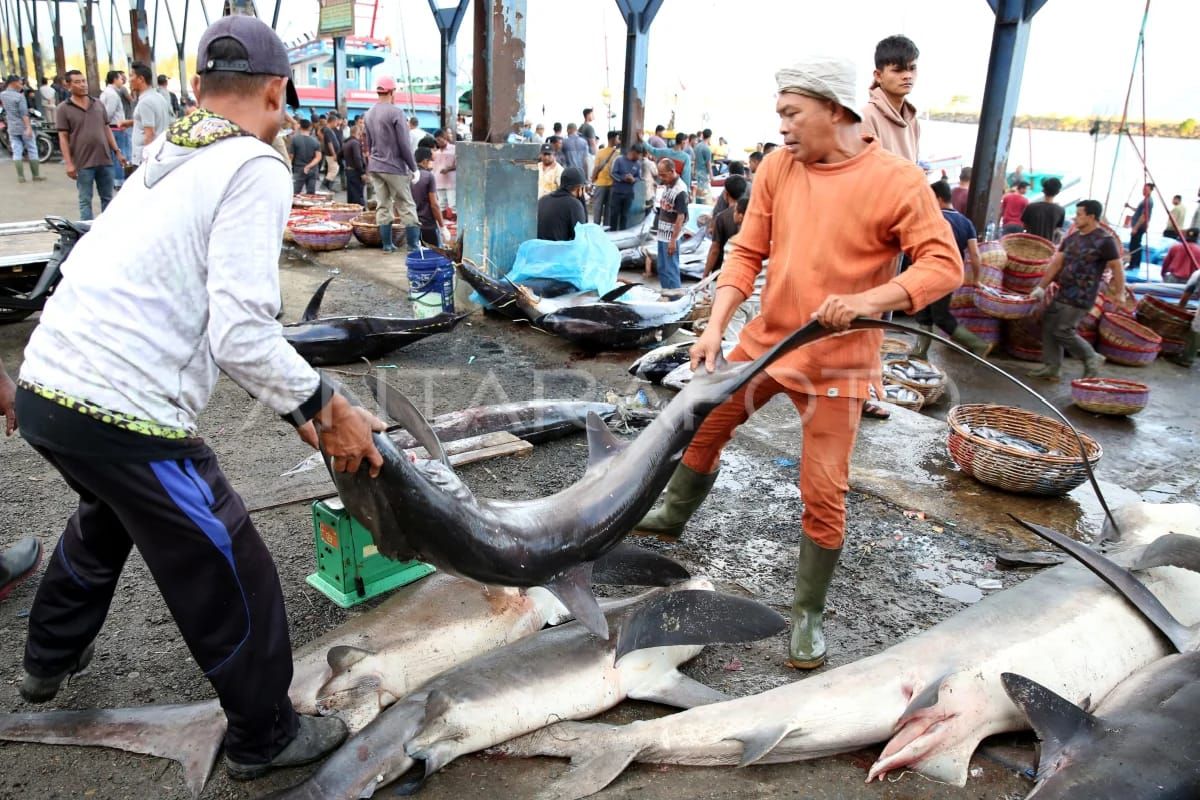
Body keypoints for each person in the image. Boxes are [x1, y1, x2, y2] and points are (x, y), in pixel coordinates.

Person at [15, 14, 382, 779]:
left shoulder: (164, 156)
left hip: (46, 385)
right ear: (278, 92)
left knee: (108, 515)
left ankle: (48, 657)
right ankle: (265, 736)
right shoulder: (254, 164)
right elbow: (241, 334)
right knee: (226, 556)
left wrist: (296, 407)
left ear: (198, 89)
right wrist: (327, 405)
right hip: (117, 404)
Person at [632, 56, 961, 670]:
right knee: (705, 420)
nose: (781, 126)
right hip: (766, 342)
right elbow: (747, 249)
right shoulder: (780, 167)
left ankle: (807, 611)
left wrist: (867, 301)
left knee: (823, 489)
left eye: (791, 113)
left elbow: (943, 266)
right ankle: (674, 513)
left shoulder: (898, 181)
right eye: (779, 113)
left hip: (839, 361)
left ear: (836, 110)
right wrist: (716, 325)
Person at [1027, 200, 1124, 381]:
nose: (1075, 218)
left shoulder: (1105, 240)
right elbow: (1056, 264)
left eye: (1079, 214)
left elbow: (1117, 268)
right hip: (1063, 292)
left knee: (1063, 330)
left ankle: (1090, 357)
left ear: (1091, 216)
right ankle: (1052, 367)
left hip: (1082, 296)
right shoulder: (1071, 238)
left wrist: (1120, 293)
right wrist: (1041, 287)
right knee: (1048, 325)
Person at [911, 180, 991, 358]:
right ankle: (919, 353)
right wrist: (977, 279)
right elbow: (975, 255)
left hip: (930, 272)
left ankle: (978, 345)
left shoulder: (933, 219)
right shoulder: (966, 222)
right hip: (950, 274)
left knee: (940, 317)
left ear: (937, 198)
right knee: (925, 314)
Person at [57, 70, 126, 219]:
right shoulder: (63, 108)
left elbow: (106, 128)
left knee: (108, 198)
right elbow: (63, 137)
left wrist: (117, 151)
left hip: (105, 159)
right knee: (85, 200)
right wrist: (69, 163)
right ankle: (86, 233)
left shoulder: (98, 103)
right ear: (68, 86)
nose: (82, 85)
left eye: (84, 81)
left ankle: (108, 228)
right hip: (83, 163)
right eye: (77, 82)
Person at [364, 76, 420, 253]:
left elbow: (369, 143)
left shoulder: (368, 113)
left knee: (383, 204)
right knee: (406, 204)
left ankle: (387, 245)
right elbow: (404, 144)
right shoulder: (396, 113)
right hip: (394, 167)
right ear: (392, 91)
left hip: (375, 166)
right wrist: (414, 167)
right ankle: (413, 245)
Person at [860, 36, 921, 161]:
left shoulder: (913, 120)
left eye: (912, 68)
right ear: (878, 75)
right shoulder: (866, 118)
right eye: (898, 70)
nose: (908, 76)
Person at [652, 157, 689, 291]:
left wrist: (673, 240)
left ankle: (676, 296)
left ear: (672, 171)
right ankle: (666, 293)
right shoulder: (667, 185)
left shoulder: (680, 190)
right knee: (662, 267)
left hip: (670, 236)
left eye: (663, 175)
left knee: (671, 269)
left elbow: (680, 217)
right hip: (662, 234)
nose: (661, 178)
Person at [2, 75, 44, 183]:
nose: (22, 85)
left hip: (11, 127)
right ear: (13, 83)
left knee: (16, 151)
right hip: (22, 126)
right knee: (32, 149)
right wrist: (28, 127)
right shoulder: (19, 97)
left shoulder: (2, 95)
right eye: (20, 83)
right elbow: (24, 114)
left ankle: (21, 177)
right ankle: (36, 175)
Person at [130, 62, 172, 166]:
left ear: (141, 79)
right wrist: (130, 122)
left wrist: (147, 161)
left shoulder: (145, 102)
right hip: (161, 153)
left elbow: (150, 134)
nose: (129, 80)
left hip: (145, 159)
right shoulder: (159, 97)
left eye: (131, 76)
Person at [99, 71, 134, 189]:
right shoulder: (113, 95)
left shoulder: (105, 93)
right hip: (116, 128)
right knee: (120, 153)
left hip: (111, 128)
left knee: (114, 155)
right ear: (114, 79)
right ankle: (119, 180)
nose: (122, 81)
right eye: (120, 78)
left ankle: (116, 179)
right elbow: (108, 113)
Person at [536, 166, 587, 242]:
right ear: (580, 189)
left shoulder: (542, 200)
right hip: (559, 252)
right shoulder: (575, 205)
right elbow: (580, 239)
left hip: (539, 252)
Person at [412, 146, 449, 246]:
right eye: (431, 160)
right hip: (427, 225)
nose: (433, 163)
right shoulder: (428, 176)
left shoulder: (408, 175)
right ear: (425, 161)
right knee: (433, 255)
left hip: (411, 225)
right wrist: (443, 227)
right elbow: (434, 205)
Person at [704, 195, 747, 277]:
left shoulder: (733, 243)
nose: (733, 214)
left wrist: (705, 274)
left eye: (735, 211)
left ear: (741, 216)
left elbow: (714, 249)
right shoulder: (757, 241)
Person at [1170, 266, 1200, 367]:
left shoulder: (1197, 274)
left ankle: (1187, 359)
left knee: (1196, 329)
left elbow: (1187, 294)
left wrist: (1180, 308)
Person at [608, 144, 642, 231]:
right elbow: (613, 174)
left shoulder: (638, 164)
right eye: (638, 154)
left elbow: (639, 177)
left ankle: (622, 232)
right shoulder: (619, 160)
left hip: (629, 194)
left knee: (625, 215)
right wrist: (623, 178)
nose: (639, 157)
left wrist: (633, 179)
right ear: (633, 152)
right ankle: (612, 232)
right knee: (614, 214)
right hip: (617, 192)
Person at [590, 130, 620, 226]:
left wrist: (592, 180)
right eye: (617, 138)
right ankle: (606, 228)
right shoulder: (618, 153)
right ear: (613, 139)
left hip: (600, 183)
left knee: (597, 208)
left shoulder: (600, 152)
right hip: (611, 184)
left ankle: (595, 227)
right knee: (608, 209)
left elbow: (596, 167)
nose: (618, 140)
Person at [1021, 176, 1066, 241]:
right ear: (1058, 192)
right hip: (1047, 247)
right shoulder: (1061, 210)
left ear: (1043, 190)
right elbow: (1057, 230)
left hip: (1030, 245)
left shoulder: (1031, 207)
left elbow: (1025, 226)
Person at [288, 118, 322, 193]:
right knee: (311, 194)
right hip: (313, 170)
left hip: (298, 169)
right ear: (310, 127)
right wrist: (309, 166)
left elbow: (291, 156)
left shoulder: (294, 139)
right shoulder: (315, 141)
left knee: (295, 193)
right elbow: (318, 157)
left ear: (300, 127)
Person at [1125, 182, 1154, 271]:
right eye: (1143, 189)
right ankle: (1136, 263)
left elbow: (1144, 216)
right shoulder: (1145, 200)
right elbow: (1138, 210)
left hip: (1140, 226)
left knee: (1134, 245)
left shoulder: (1148, 201)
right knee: (1136, 244)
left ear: (1150, 190)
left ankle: (1132, 264)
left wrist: (1135, 227)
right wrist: (1129, 206)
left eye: (1146, 189)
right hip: (1139, 226)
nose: (1144, 191)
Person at [341, 123, 366, 207]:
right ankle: (360, 214)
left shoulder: (346, 142)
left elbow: (339, 155)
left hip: (349, 170)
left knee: (351, 195)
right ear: (358, 132)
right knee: (358, 195)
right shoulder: (355, 143)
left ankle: (351, 213)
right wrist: (362, 172)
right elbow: (357, 158)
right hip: (355, 171)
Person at [432, 128, 456, 210]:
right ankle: (442, 222)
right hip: (438, 181)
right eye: (436, 140)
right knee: (441, 204)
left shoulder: (454, 149)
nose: (438, 142)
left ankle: (454, 221)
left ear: (445, 137)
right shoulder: (435, 152)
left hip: (451, 182)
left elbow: (460, 165)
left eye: (439, 140)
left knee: (453, 204)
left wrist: (449, 169)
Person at [319, 112, 341, 191]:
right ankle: (325, 185)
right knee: (334, 170)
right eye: (336, 122)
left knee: (331, 170)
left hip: (331, 153)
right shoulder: (327, 130)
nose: (336, 124)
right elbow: (329, 143)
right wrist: (334, 154)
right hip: (331, 154)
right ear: (332, 121)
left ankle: (328, 187)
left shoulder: (329, 130)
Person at [693, 128, 714, 203]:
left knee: (698, 191)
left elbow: (695, 160)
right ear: (710, 136)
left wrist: (694, 170)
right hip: (703, 173)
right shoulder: (707, 148)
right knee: (704, 193)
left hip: (697, 171)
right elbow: (708, 164)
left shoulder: (697, 146)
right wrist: (711, 176)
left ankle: (698, 203)